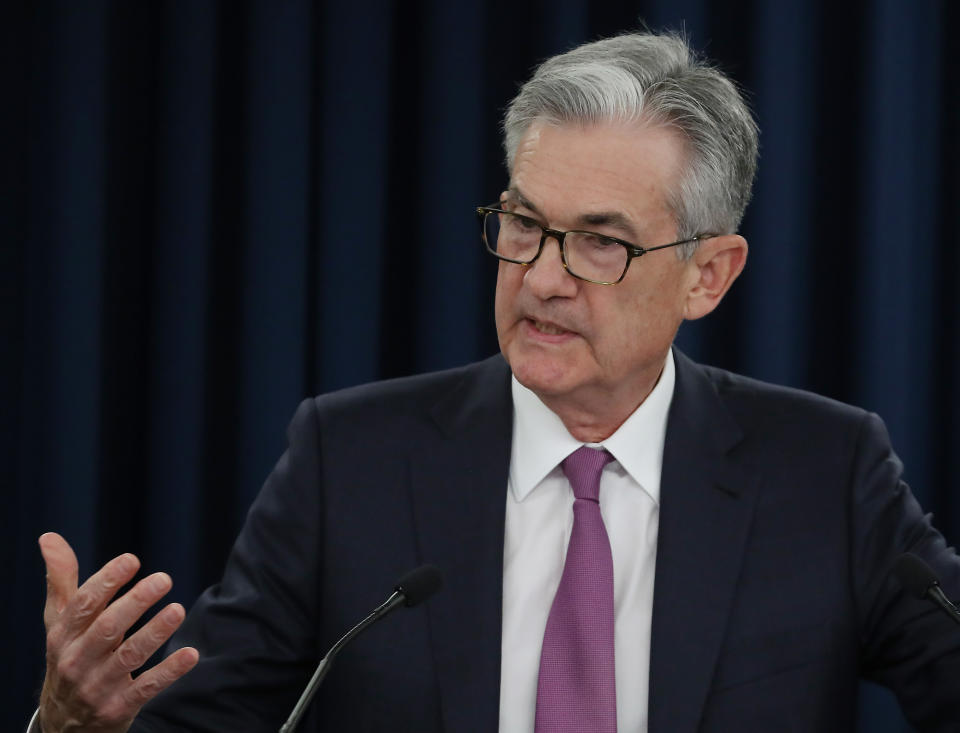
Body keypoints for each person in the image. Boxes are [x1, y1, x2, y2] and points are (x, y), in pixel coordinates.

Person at [31, 30, 960, 733]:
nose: (543, 275)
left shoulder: (826, 472)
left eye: (600, 241)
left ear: (707, 274)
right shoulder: (348, 459)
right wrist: (71, 725)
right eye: (523, 223)